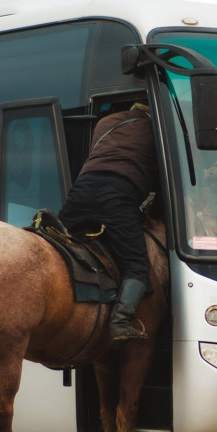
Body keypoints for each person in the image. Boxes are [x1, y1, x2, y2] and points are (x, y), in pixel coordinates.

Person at [58, 103, 157, 342]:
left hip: (81, 191)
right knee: (137, 265)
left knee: (56, 244)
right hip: (118, 194)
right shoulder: (156, 128)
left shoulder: (105, 123)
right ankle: (120, 322)